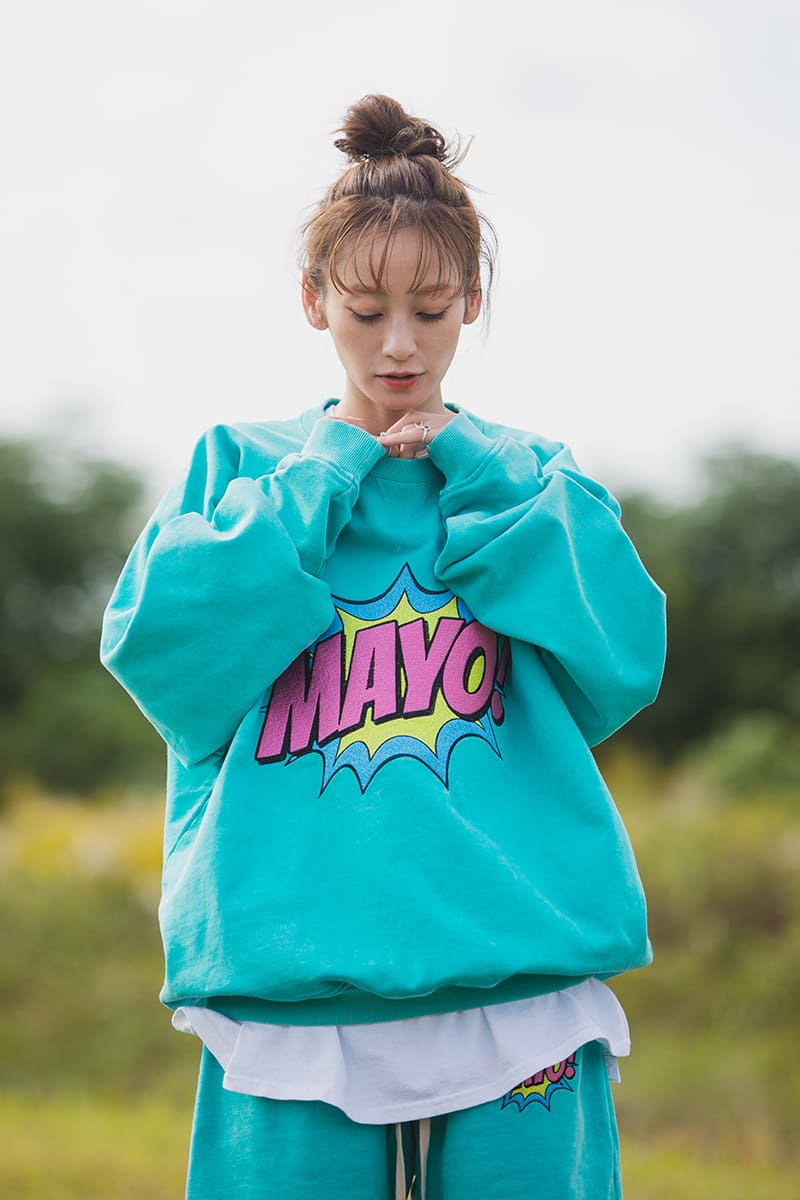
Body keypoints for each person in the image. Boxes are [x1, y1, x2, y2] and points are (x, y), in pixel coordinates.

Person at [101, 94, 666, 1200]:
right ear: (314, 299)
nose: (399, 343)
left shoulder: (530, 474)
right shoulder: (241, 467)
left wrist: (480, 473)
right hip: (292, 981)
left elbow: (623, 661)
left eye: (432, 308)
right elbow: (166, 659)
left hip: (517, 978)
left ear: (473, 301)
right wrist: (321, 476)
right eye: (365, 310)